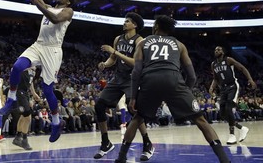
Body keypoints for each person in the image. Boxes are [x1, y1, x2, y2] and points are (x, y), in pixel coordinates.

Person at [115, 15, 230, 163]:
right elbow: (192, 76)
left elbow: (136, 72)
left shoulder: (143, 43)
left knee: (137, 119)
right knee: (200, 120)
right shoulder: (179, 45)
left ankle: (121, 158)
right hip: (174, 80)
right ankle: (224, 160)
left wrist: (134, 97)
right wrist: (184, 93)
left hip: (150, 81)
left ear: (156, 26)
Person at [0, 0, 75, 143]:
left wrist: (39, 4)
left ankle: (56, 122)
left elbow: (55, 19)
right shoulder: (48, 6)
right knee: (17, 67)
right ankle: (10, 99)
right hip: (38, 45)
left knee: (47, 90)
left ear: (68, 1)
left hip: (53, 51)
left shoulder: (68, 11)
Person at [94, 12, 154, 161]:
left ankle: (147, 143)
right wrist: (105, 64)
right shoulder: (118, 39)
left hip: (132, 79)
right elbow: (113, 59)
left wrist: (114, 52)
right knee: (99, 106)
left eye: (127, 21)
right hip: (118, 78)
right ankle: (105, 142)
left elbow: (135, 62)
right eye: (125, 21)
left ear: (135, 25)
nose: (124, 23)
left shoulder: (140, 41)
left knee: (133, 109)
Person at [208, 46, 256, 145]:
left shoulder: (228, 60)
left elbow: (242, 68)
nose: (217, 51)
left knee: (228, 107)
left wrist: (250, 79)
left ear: (223, 52)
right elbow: (215, 78)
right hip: (223, 89)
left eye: (219, 49)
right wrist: (212, 87)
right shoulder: (213, 64)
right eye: (215, 50)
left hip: (232, 86)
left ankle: (232, 135)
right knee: (222, 113)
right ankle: (241, 128)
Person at [12, 67, 40, 150]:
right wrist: (27, 67)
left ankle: (18, 137)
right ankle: (24, 140)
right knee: (28, 117)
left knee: (24, 116)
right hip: (19, 91)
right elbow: (15, 69)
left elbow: (30, 83)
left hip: (26, 93)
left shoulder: (33, 70)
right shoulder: (23, 65)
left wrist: (34, 93)